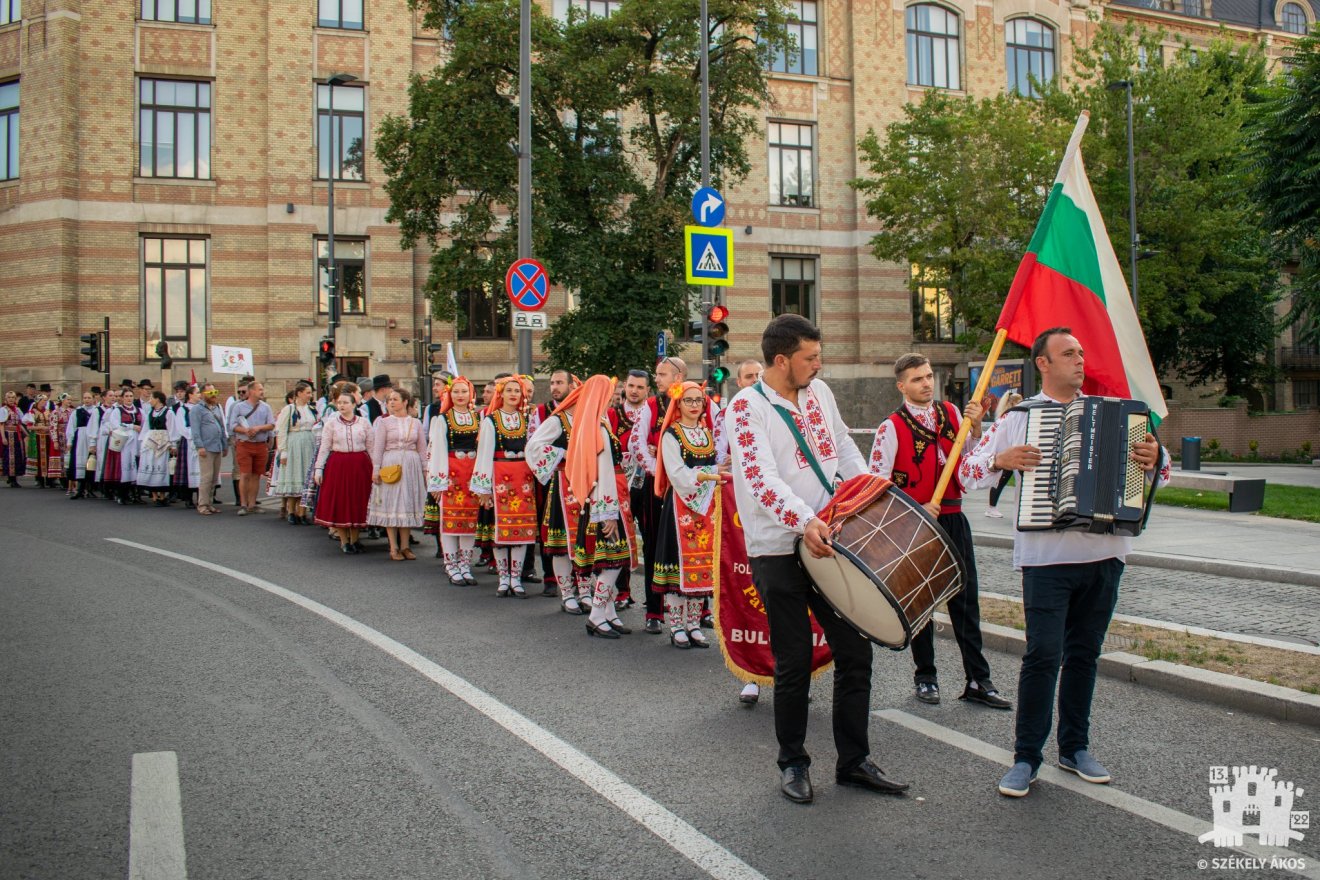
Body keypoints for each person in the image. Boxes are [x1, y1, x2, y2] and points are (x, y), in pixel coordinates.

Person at [957, 328, 1167, 798]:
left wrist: (1155, 457)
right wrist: (1002, 460)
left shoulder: (1118, 413)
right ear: (1043, 364)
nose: (1079, 359)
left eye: (1081, 352)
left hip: (1106, 554)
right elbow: (967, 472)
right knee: (1042, 655)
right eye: (1068, 353)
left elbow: (1163, 470)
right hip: (1045, 560)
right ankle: (1026, 757)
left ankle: (1074, 749)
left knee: (1084, 656)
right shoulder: (1020, 417)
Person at [729, 314, 909, 805]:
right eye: (810, 357)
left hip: (832, 539)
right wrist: (804, 519)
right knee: (793, 661)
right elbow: (760, 480)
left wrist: (873, 490)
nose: (818, 364)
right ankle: (793, 762)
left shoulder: (820, 393)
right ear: (782, 359)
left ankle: (853, 761)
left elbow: (844, 449)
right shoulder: (746, 409)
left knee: (855, 652)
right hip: (779, 547)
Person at [868, 353, 1010, 711]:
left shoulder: (951, 413)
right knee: (921, 605)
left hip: (953, 518)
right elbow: (876, 486)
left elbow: (966, 467)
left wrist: (976, 432)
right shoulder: (891, 427)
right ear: (902, 386)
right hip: (915, 526)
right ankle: (925, 676)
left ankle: (979, 679)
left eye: (929, 376)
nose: (926, 383)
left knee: (966, 600)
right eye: (917, 379)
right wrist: (913, 509)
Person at [652, 380, 729, 648]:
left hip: (706, 506)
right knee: (677, 565)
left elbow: (709, 465)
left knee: (702, 565)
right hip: (680, 507)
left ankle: (694, 624)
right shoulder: (671, 435)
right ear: (678, 403)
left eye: (699, 400)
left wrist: (720, 467)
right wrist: (711, 474)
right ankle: (676, 626)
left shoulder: (706, 432)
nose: (695, 405)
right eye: (689, 400)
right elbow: (677, 474)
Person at [713, 358, 766, 704]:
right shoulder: (727, 415)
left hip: (778, 512)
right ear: (738, 382)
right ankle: (752, 675)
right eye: (749, 376)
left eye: (760, 375)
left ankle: (792, 673)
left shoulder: (781, 409)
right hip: (741, 514)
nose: (756, 381)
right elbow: (714, 459)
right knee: (746, 589)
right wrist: (723, 466)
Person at [628, 356, 687, 634]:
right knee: (653, 545)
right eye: (657, 374)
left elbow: (715, 443)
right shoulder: (651, 406)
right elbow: (638, 444)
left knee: (690, 547)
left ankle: (695, 611)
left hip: (690, 489)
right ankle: (654, 610)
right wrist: (662, 473)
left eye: (662, 374)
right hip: (658, 487)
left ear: (678, 376)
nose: (658, 379)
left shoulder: (697, 401)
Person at [470, 374, 538, 597]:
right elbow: (484, 454)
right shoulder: (491, 420)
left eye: (517, 391)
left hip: (523, 479)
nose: (513, 394)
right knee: (501, 532)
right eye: (509, 390)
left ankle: (516, 579)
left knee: (521, 530)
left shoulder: (526, 419)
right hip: (500, 477)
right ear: (501, 394)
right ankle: (503, 578)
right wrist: (483, 488)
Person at [426, 376, 482, 585]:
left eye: (464, 391)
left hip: (471, 474)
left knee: (469, 522)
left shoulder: (478, 418)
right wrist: (437, 481)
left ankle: (465, 565)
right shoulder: (443, 419)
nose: (460, 396)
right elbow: (436, 449)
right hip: (451, 473)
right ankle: (451, 566)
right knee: (449, 522)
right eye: (456, 392)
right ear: (450, 394)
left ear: (471, 394)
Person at [368, 387, 427, 560]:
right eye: (389, 400)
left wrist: (425, 470)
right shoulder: (384, 423)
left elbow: (422, 448)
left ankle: (405, 546)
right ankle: (393, 547)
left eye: (395, 399)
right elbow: (377, 448)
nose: (391, 402)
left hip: (411, 464)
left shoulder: (415, 423)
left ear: (405, 401)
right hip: (391, 462)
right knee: (391, 503)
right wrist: (376, 469)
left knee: (407, 503)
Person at [314, 388, 375, 553]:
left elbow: (371, 447)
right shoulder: (331, 423)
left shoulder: (363, 422)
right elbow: (325, 447)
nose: (341, 405)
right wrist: (318, 469)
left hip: (360, 464)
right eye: (339, 402)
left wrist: (377, 468)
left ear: (354, 404)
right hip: (338, 464)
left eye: (345, 402)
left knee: (358, 500)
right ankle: (344, 541)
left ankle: (355, 539)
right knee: (341, 500)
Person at [227, 381, 275, 516]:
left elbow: (271, 424)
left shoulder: (266, 407)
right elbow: (232, 425)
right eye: (260, 389)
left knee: (256, 475)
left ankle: (252, 504)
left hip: (260, 444)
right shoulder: (239, 407)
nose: (262, 391)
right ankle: (243, 504)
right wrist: (245, 430)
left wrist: (258, 428)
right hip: (244, 443)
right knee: (245, 474)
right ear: (252, 391)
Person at [274, 381, 319, 524]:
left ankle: (302, 512)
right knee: (295, 476)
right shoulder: (289, 409)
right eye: (307, 393)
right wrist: (283, 451)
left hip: (308, 444)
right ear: (299, 393)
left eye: (310, 393)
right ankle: (292, 511)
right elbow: (281, 431)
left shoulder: (312, 409)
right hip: (294, 444)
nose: (310, 395)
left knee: (306, 479)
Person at [985, 390, 1024, 518]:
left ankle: (992, 507)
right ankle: (991, 508)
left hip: (1009, 453)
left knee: (1002, 481)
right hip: (1006, 454)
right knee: (1001, 481)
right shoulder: (1009, 418)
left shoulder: (1006, 417)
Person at [190, 384, 229, 515]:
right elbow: (195, 430)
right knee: (206, 478)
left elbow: (222, 427)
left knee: (213, 478)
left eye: (215, 391)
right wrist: (199, 446)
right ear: (202, 394)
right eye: (210, 392)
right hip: (206, 447)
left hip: (217, 445)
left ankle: (210, 502)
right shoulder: (197, 409)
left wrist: (224, 445)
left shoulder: (217, 407)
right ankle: (202, 504)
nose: (213, 394)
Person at [98, 391, 142, 504]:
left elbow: (145, 424)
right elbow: (115, 425)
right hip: (124, 442)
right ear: (122, 398)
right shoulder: (117, 411)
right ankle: (122, 494)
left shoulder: (139, 411)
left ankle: (136, 494)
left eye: (131, 396)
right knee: (124, 467)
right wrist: (131, 426)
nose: (129, 398)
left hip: (136, 441)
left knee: (136, 465)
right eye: (126, 396)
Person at [136, 391, 174, 505]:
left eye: (152, 398)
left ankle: (162, 495)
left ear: (158, 399)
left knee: (161, 466)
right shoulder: (150, 413)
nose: (150, 400)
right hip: (151, 442)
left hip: (162, 442)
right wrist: (143, 444)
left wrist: (172, 444)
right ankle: (154, 495)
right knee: (151, 465)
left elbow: (172, 428)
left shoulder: (168, 412)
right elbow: (146, 428)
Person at [169, 385, 202, 507]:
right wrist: (193, 434)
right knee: (189, 469)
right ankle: (188, 499)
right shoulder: (182, 410)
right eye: (197, 393)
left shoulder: (201, 408)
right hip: (188, 442)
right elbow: (181, 427)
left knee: (201, 470)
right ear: (190, 395)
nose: (200, 395)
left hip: (201, 441)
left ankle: (201, 498)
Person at [66, 391, 101, 499]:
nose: (87, 400)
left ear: (93, 399)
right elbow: (71, 426)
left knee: (91, 463)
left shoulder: (96, 411)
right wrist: (70, 441)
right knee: (80, 463)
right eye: (85, 398)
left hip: (93, 438)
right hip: (80, 438)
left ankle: (90, 489)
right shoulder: (77, 411)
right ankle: (80, 490)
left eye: (89, 398)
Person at [22, 395, 55, 488]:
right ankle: (40, 479)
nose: (45, 402)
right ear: (38, 401)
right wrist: (41, 427)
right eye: (43, 400)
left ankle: (50, 479)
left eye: (45, 400)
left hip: (48, 437)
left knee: (48, 457)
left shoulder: (48, 412)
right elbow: (29, 426)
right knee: (39, 458)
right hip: (37, 437)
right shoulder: (33, 412)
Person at [1, 390, 28, 487]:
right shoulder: (4, 409)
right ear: (6, 399)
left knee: (17, 456)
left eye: (13, 398)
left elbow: (19, 423)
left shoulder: (17, 409)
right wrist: (3, 437)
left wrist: (26, 433)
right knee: (9, 456)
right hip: (8, 434)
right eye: (9, 397)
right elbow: (1, 424)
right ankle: (11, 479)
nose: (11, 399)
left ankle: (14, 477)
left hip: (16, 435)